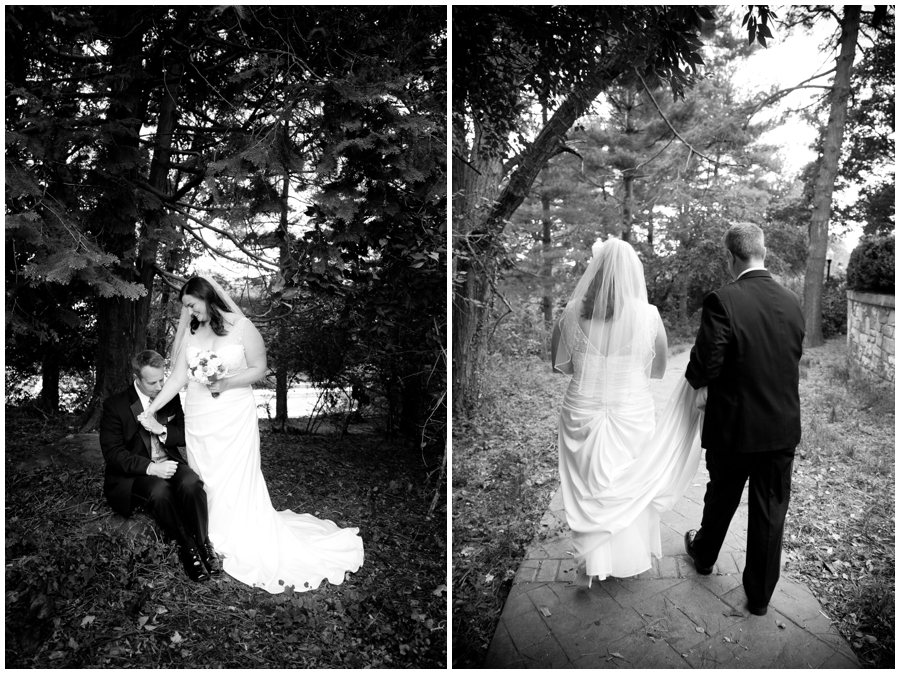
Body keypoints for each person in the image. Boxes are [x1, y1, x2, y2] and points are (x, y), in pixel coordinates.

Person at [140, 275, 364, 593]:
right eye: (185, 309)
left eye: (191, 305)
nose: (189, 313)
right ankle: (209, 533)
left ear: (206, 297)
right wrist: (151, 407)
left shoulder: (242, 326)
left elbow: (259, 367)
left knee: (236, 474)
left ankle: (241, 534)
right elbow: (177, 379)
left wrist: (227, 382)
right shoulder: (191, 331)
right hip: (201, 415)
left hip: (234, 411)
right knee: (207, 474)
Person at [551, 238, 703, 587]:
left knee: (588, 485)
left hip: (582, 409)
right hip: (631, 410)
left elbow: (561, 364)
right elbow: (658, 369)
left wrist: (595, 369)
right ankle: (623, 556)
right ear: (632, 274)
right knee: (627, 481)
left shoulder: (572, 311)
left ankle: (591, 561)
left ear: (595, 273)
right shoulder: (647, 315)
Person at [683, 222, 804, 616]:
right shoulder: (791, 300)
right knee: (770, 511)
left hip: (735, 426)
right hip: (781, 426)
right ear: (763, 250)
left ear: (730, 257)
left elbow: (706, 364)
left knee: (722, 494)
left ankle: (704, 556)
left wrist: (696, 379)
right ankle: (759, 597)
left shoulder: (723, 300)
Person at [99, 350, 219, 582]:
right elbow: (113, 454)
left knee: (192, 483)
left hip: (168, 459)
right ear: (137, 378)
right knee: (160, 491)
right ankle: (189, 547)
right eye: (152, 382)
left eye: (162, 380)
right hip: (135, 473)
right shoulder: (115, 406)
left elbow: (184, 433)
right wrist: (151, 468)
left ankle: (204, 544)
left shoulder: (170, 397)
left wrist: (162, 430)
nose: (159, 386)